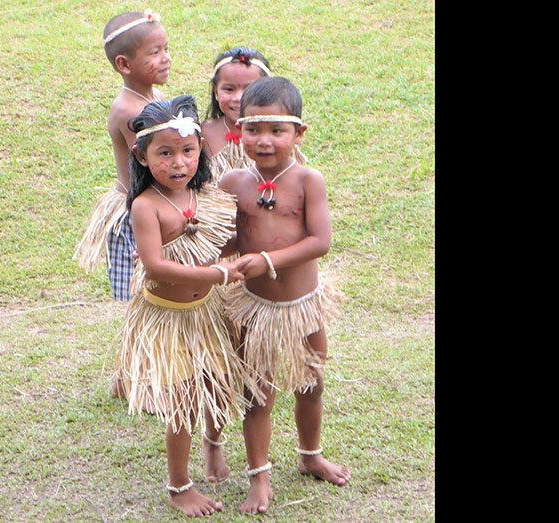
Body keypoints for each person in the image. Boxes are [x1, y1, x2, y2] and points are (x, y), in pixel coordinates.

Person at [114, 95, 266, 517]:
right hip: (169, 318)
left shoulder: (205, 194)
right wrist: (217, 275)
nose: (178, 163)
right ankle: (179, 485)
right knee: (182, 404)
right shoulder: (146, 207)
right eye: (165, 153)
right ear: (142, 157)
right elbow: (156, 266)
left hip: (208, 315)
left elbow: (222, 243)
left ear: (201, 149)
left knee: (218, 385)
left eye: (187, 150)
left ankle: (213, 443)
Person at [217, 76, 352, 515]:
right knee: (257, 394)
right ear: (239, 131)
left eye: (277, 130)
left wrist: (269, 261)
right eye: (253, 129)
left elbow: (320, 241)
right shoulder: (233, 183)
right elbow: (222, 242)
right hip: (254, 309)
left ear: (299, 133)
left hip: (303, 307)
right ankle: (259, 477)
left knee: (311, 383)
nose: (264, 140)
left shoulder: (308, 180)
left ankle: (310, 455)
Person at [73, 8, 171, 301]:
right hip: (137, 212)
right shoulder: (130, 111)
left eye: (166, 49)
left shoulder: (155, 98)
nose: (165, 58)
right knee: (140, 297)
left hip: (158, 205)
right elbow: (155, 166)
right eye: (154, 53)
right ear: (124, 64)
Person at [200, 47, 272, 183]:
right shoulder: (203, 133)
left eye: (249, 89)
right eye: (229, 89)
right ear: (216, 91)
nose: (239, 97)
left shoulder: (277, 133)